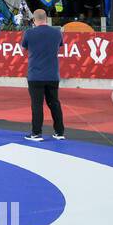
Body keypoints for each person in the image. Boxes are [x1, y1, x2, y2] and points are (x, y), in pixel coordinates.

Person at [21, 8, 65, 141]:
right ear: (46, 18)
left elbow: (23, 49)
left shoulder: (29, 33)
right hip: (52, 75)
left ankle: (36, 133)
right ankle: (59, 132)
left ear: (34, 20)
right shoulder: (57, 33)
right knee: (54, 103)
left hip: (35, 75)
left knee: (37, 104)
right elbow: (59, 46)